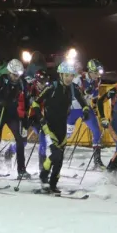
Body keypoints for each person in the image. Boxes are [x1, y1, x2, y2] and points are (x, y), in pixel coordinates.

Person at [39, 61, 93, 194]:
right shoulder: (52, 87)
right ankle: (43, 174)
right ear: (61, 75)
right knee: (56, 154)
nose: (70, 78)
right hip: (49, 127)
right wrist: (38, 117)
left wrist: (85, 110)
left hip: (62, 126)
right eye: (67, 75)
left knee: (60, 158)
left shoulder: (73, 88)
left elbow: (83, 102)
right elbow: (36, 102)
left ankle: (53, 184)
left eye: (72, 75)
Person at [0, 58, 30, 177]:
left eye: (19, 75)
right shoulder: (1, 80)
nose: (16, 77)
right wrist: (0, 101)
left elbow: (26, 100)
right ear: (9, 73)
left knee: (20, 140)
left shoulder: (22, 83)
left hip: (12, 114)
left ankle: (21, 170)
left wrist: (26, 117)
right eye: (14, 75)